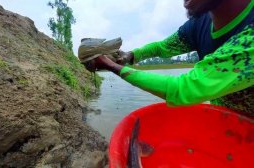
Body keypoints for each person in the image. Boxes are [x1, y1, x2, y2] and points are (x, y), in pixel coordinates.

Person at [84, 0, 254, 117]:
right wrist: (131, 56)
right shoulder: (200, 22)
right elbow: (162, 47)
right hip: (221, 121)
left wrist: (110, 65)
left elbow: (184, 89)